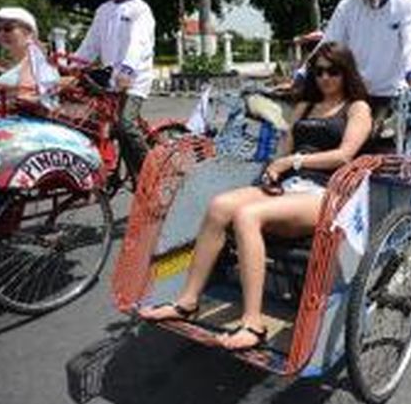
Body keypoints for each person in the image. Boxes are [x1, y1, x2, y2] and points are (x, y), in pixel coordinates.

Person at [139, 42, 373, 350]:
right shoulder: (304, 107)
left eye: (333, 71)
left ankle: (253, 324)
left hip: (323, 193)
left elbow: (344, 156)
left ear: (346, 72)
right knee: (220, 205)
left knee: (247, 215)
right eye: (318, 71)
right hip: (289, 188)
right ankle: (187, 301)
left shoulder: (357, 108)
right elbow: (282, 151)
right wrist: (274, 170)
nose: (325, 78)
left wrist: (293, 162)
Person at [317, 0, 411, 131]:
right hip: (357, 97)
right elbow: (327, 46)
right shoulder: (347, 7)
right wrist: (301, 76)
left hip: (394, 97)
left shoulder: (406, 3)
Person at [74, 0, 156, 183]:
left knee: (126, 126)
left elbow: (138, 44)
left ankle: (153, 171)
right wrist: (71, 65)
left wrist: (127, 71)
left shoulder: (140, 10)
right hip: (110, 79)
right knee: (88, 121)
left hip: (134, 78)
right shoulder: (103, 10)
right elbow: (90, 45)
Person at [0, 7, 60, 108]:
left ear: (29, 34)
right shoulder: (24, 63)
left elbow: (26, 100)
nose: (1, 34)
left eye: (8, 28)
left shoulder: (34, 61)